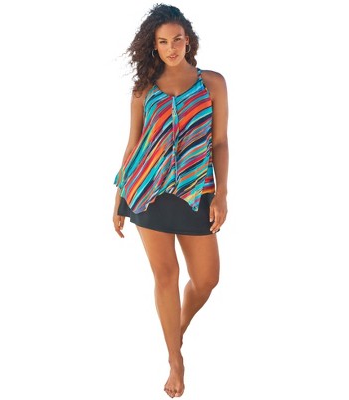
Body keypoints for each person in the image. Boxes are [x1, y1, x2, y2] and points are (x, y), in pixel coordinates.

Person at [112, 4, 229, 398]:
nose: (172, 48)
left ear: (188, 41)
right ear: (155, 46)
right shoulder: (143, 91)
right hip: (147, 192)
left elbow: (219, 142)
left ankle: (176, 329)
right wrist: (118, 197)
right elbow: (133, 145)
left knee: (207, 278)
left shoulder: (212, 83)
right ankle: (175, 361)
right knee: (166, 276)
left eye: (177, 39)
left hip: (197, 192)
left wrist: (221, 194)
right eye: (163, 42)